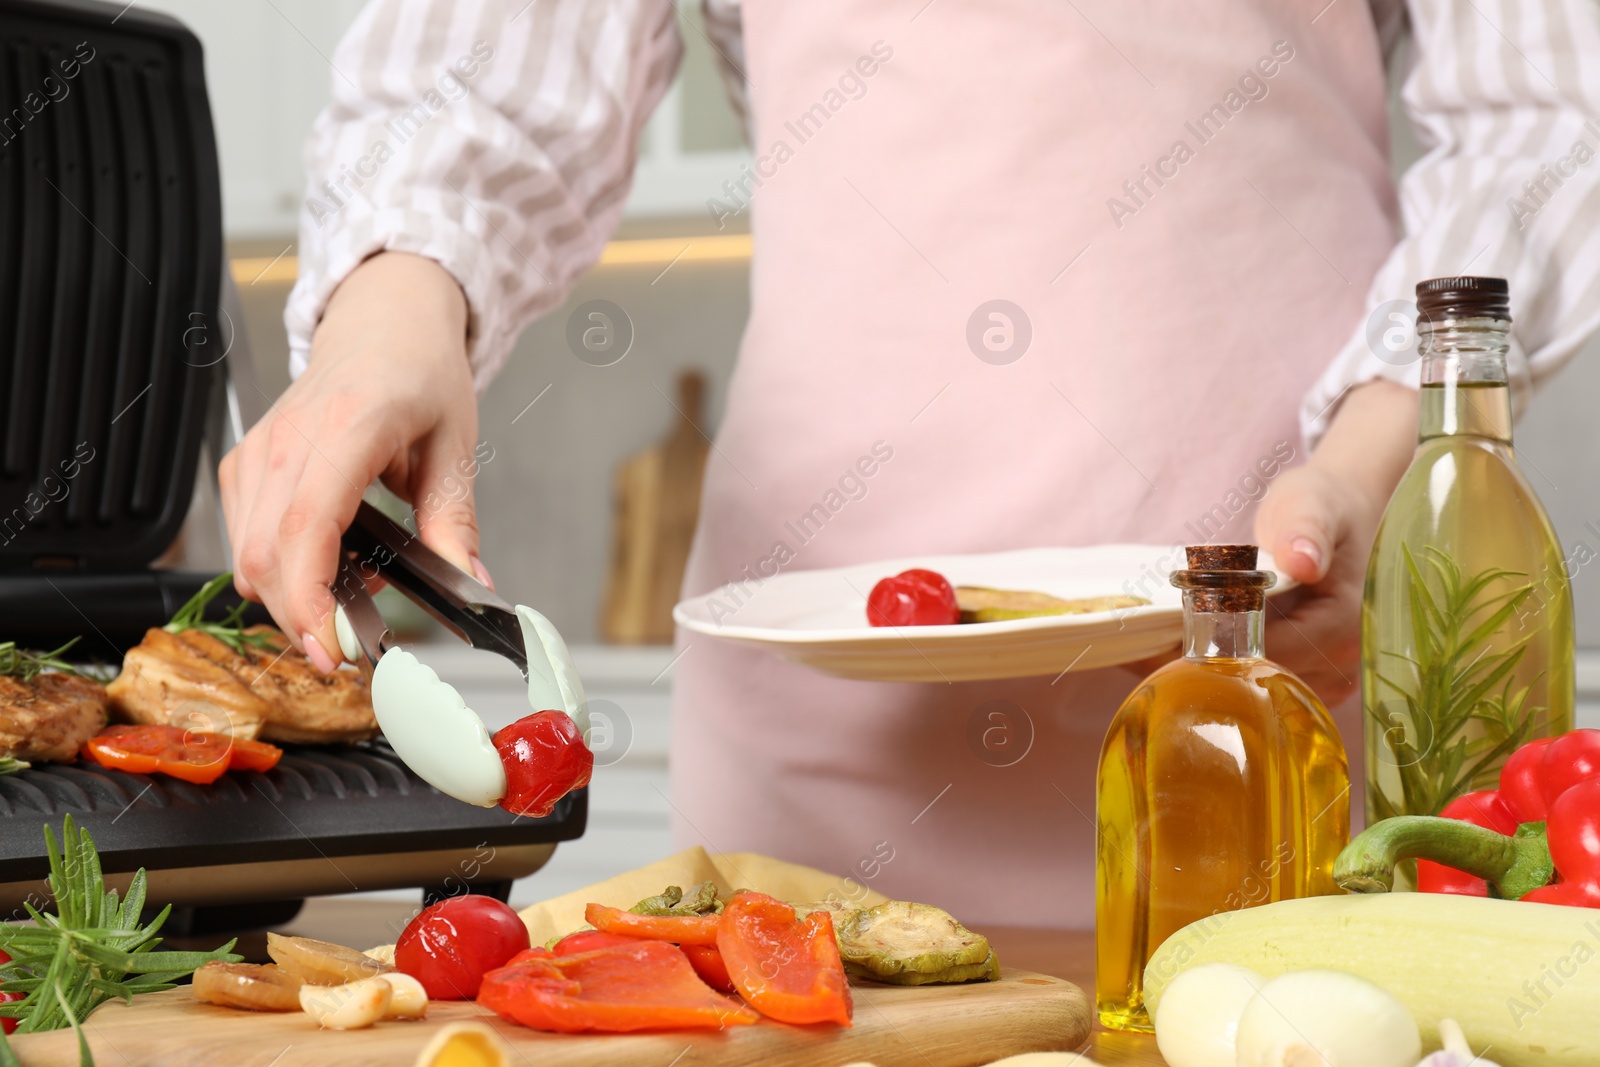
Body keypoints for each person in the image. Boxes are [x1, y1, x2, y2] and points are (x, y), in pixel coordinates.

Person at [220, 0, 1600, 926]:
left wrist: (1372, 469)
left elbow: (1547, 103)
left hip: (1288, 722)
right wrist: (387, 317)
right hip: (815, 751)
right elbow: (483, 83)